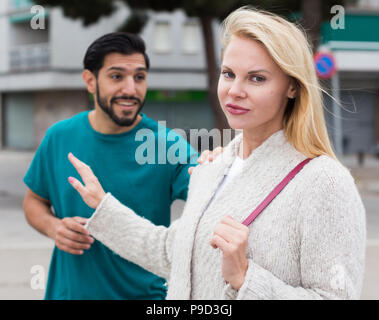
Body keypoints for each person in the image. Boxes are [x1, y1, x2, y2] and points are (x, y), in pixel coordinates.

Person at [68, 7, 366, 300]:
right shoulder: (212, 167)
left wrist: (246, 279)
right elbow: (174, 255)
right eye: (228, 73)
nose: (235, 90)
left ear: (292, 87)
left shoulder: (324, 182)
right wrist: (102, 206)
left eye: (256, 78)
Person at [22, 32, 218, 300]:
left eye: (139, 77)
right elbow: (34, 202)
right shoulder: (59, 136)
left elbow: (213, 195)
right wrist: (53, 227)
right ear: (90, 81)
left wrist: (218, 167)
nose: (130, 89)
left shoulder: (166, 145)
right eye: (117, 76)